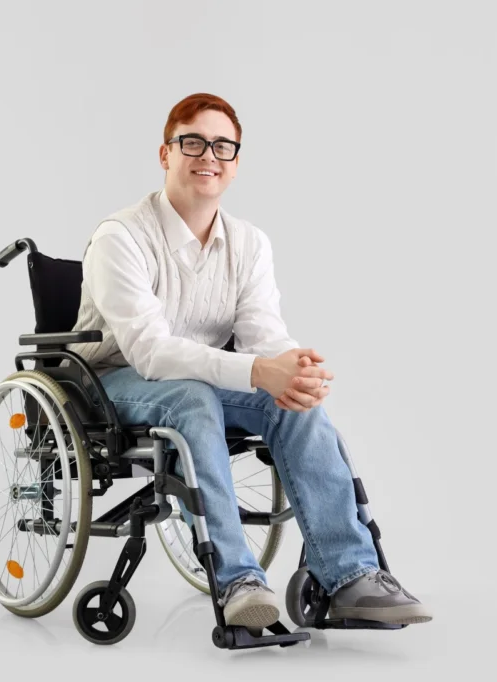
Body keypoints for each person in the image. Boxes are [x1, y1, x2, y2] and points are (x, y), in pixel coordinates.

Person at [66, 93, 432, 630]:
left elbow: (262, 335)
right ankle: (238, 580)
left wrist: (292, 370)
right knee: (192, 395)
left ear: (235, 164)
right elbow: (151, 352)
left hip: (203, 382)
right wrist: (260, 372)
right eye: (191, 141)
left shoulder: (249, 243)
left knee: (292, 402)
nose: (207, 155)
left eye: (221, 146)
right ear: (165, 154)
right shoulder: (120, 238)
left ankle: (351, 573)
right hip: (112, 382)